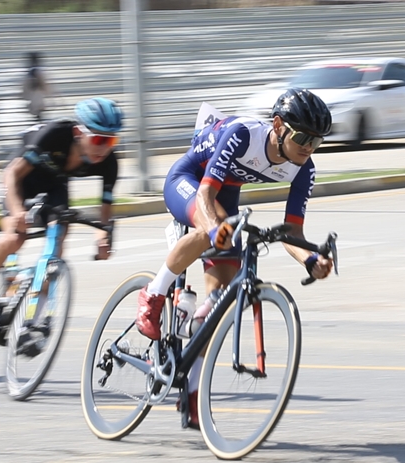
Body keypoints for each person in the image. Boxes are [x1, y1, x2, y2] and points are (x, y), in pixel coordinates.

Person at [134, 88, 335, 425]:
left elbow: (293, 234)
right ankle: (153, 293)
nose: (308, 147)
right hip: (191, 180)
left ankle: (193, 393)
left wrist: (312, 262)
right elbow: (205, 195)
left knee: (216, 305)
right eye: (302, 137)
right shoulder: (243, 135)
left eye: (317, 142)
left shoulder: (304, 168)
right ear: (278, 125)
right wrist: (215, 229)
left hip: (226, 193)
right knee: (205, 229)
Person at [0, 97, 124, 320]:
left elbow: (106, 207)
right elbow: (12, 175)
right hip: (21, 177)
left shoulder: (109, 163)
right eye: (98, 140)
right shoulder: (54, 135)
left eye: (111, 141)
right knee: (14, 239)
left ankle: (34, 319)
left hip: (55, 182)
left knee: (58, 236)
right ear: (78, 133)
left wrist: (103, 235)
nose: (104, 148)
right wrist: (17, 212)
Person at [22, 51, 51, 122]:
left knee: (37, 106)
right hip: (37, 94)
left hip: (36, 95)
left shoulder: (32, 71)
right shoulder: (35, 71)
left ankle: (38, 116)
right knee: (38, 106)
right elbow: (43, 83)